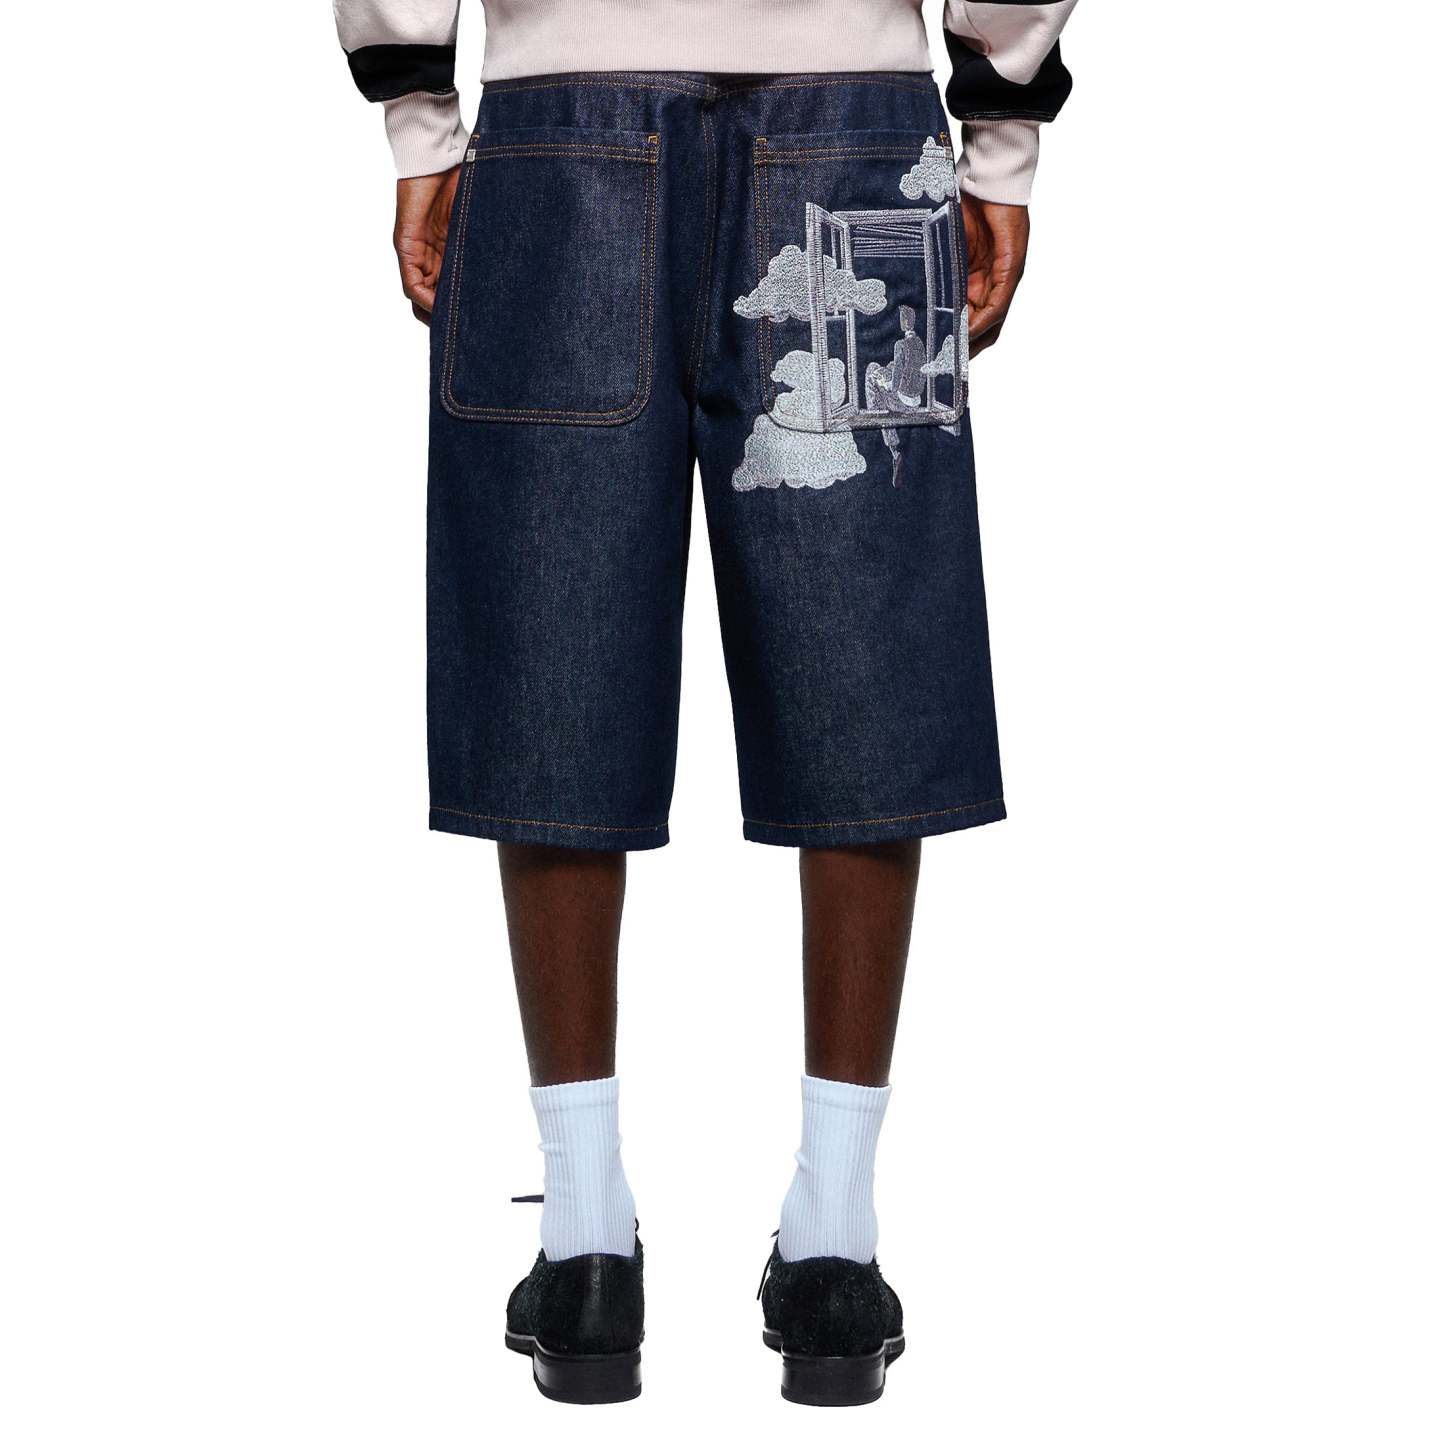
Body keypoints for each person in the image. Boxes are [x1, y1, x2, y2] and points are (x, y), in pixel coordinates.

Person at [333, 0, 1075, 1408]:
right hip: (855, 132)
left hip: (559, 130)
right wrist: (997, 140)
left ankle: (584, 1241)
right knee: (860, 640)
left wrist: (421, 126)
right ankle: (835, 1246)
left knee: (555, 631)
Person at [866, 304, 929, 485]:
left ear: (903, 322)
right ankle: (879, 410)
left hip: (902, 401)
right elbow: (912, 370)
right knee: (883, 367)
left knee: (871, 375)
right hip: (916, 399)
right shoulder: (919, 343)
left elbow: (895, 383)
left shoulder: (900, 345)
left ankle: (892, 447)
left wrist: (884, 383)